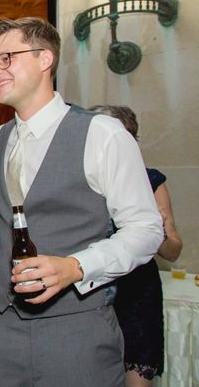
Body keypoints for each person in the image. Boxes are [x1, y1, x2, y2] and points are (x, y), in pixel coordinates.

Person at [0, 17, 163, 387]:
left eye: (6, 58)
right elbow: (1, 222)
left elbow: (146, 229)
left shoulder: (102, 134)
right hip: (1, 329)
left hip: (75, 330)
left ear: (44, 59)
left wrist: (76, 266)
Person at [89, 104, 183, 387]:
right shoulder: (84, 181)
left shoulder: (150, 180)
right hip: (91, 290)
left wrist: (157, 231)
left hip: (136, 293)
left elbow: (174, 251)